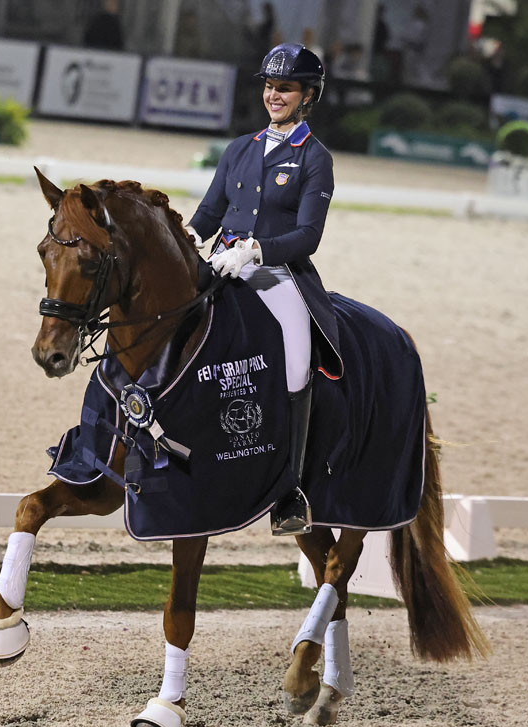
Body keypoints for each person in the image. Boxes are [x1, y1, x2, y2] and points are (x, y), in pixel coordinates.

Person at [185, 43, 341, 537]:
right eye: (270, 86)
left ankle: (290, 487)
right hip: (221, 261)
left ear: (307, 95)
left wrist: (256, 251)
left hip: (275, 272)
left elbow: (308, 236)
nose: (274, 95)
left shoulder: (314, 158)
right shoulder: (240, 148)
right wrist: (187, 236)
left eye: (285, 88)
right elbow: (210, 213)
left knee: (296, 353)